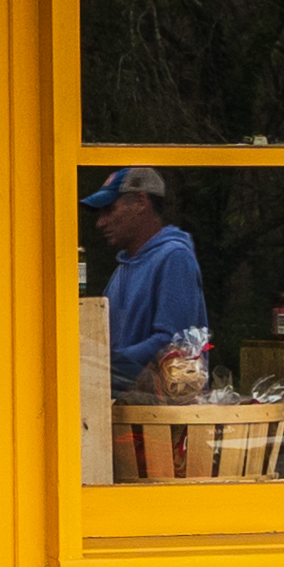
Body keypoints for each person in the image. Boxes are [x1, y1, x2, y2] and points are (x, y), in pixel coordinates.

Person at [86, 168, 209, 406]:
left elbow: (173, 345)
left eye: (109, 209)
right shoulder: (123, 267)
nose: (101, 222)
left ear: (141, 202)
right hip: (125, 414)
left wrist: (103, 366)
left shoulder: (174, 257)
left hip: (162, 423)